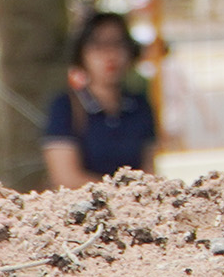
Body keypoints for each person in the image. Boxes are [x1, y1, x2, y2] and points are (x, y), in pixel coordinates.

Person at [41, 11, 157, 187]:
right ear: (82, 54)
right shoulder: (65, 106)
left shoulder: (139, 105)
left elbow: (148, 168)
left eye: (118, 44)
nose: (110, 55)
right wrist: (118, 194)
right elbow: (65, 177)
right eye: (98, 46)